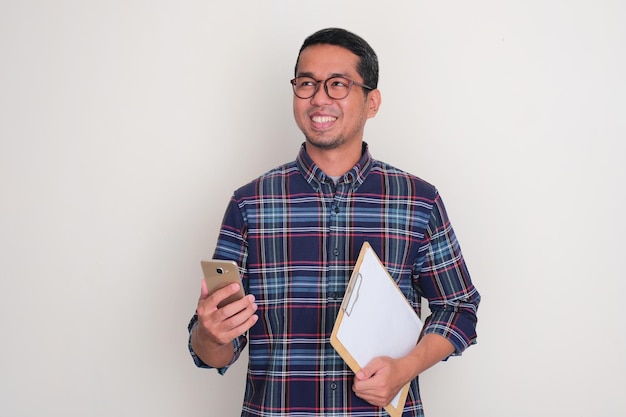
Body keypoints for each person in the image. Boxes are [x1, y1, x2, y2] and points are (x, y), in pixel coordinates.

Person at [188, 27, 480, 417]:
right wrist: (210, 334)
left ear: (371, 102)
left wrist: (405, 369)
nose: (319, 98)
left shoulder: (417, 201)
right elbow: (212, 352)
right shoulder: (250, 204)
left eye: (338, 84)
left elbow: (459, 307)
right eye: (306, 84)